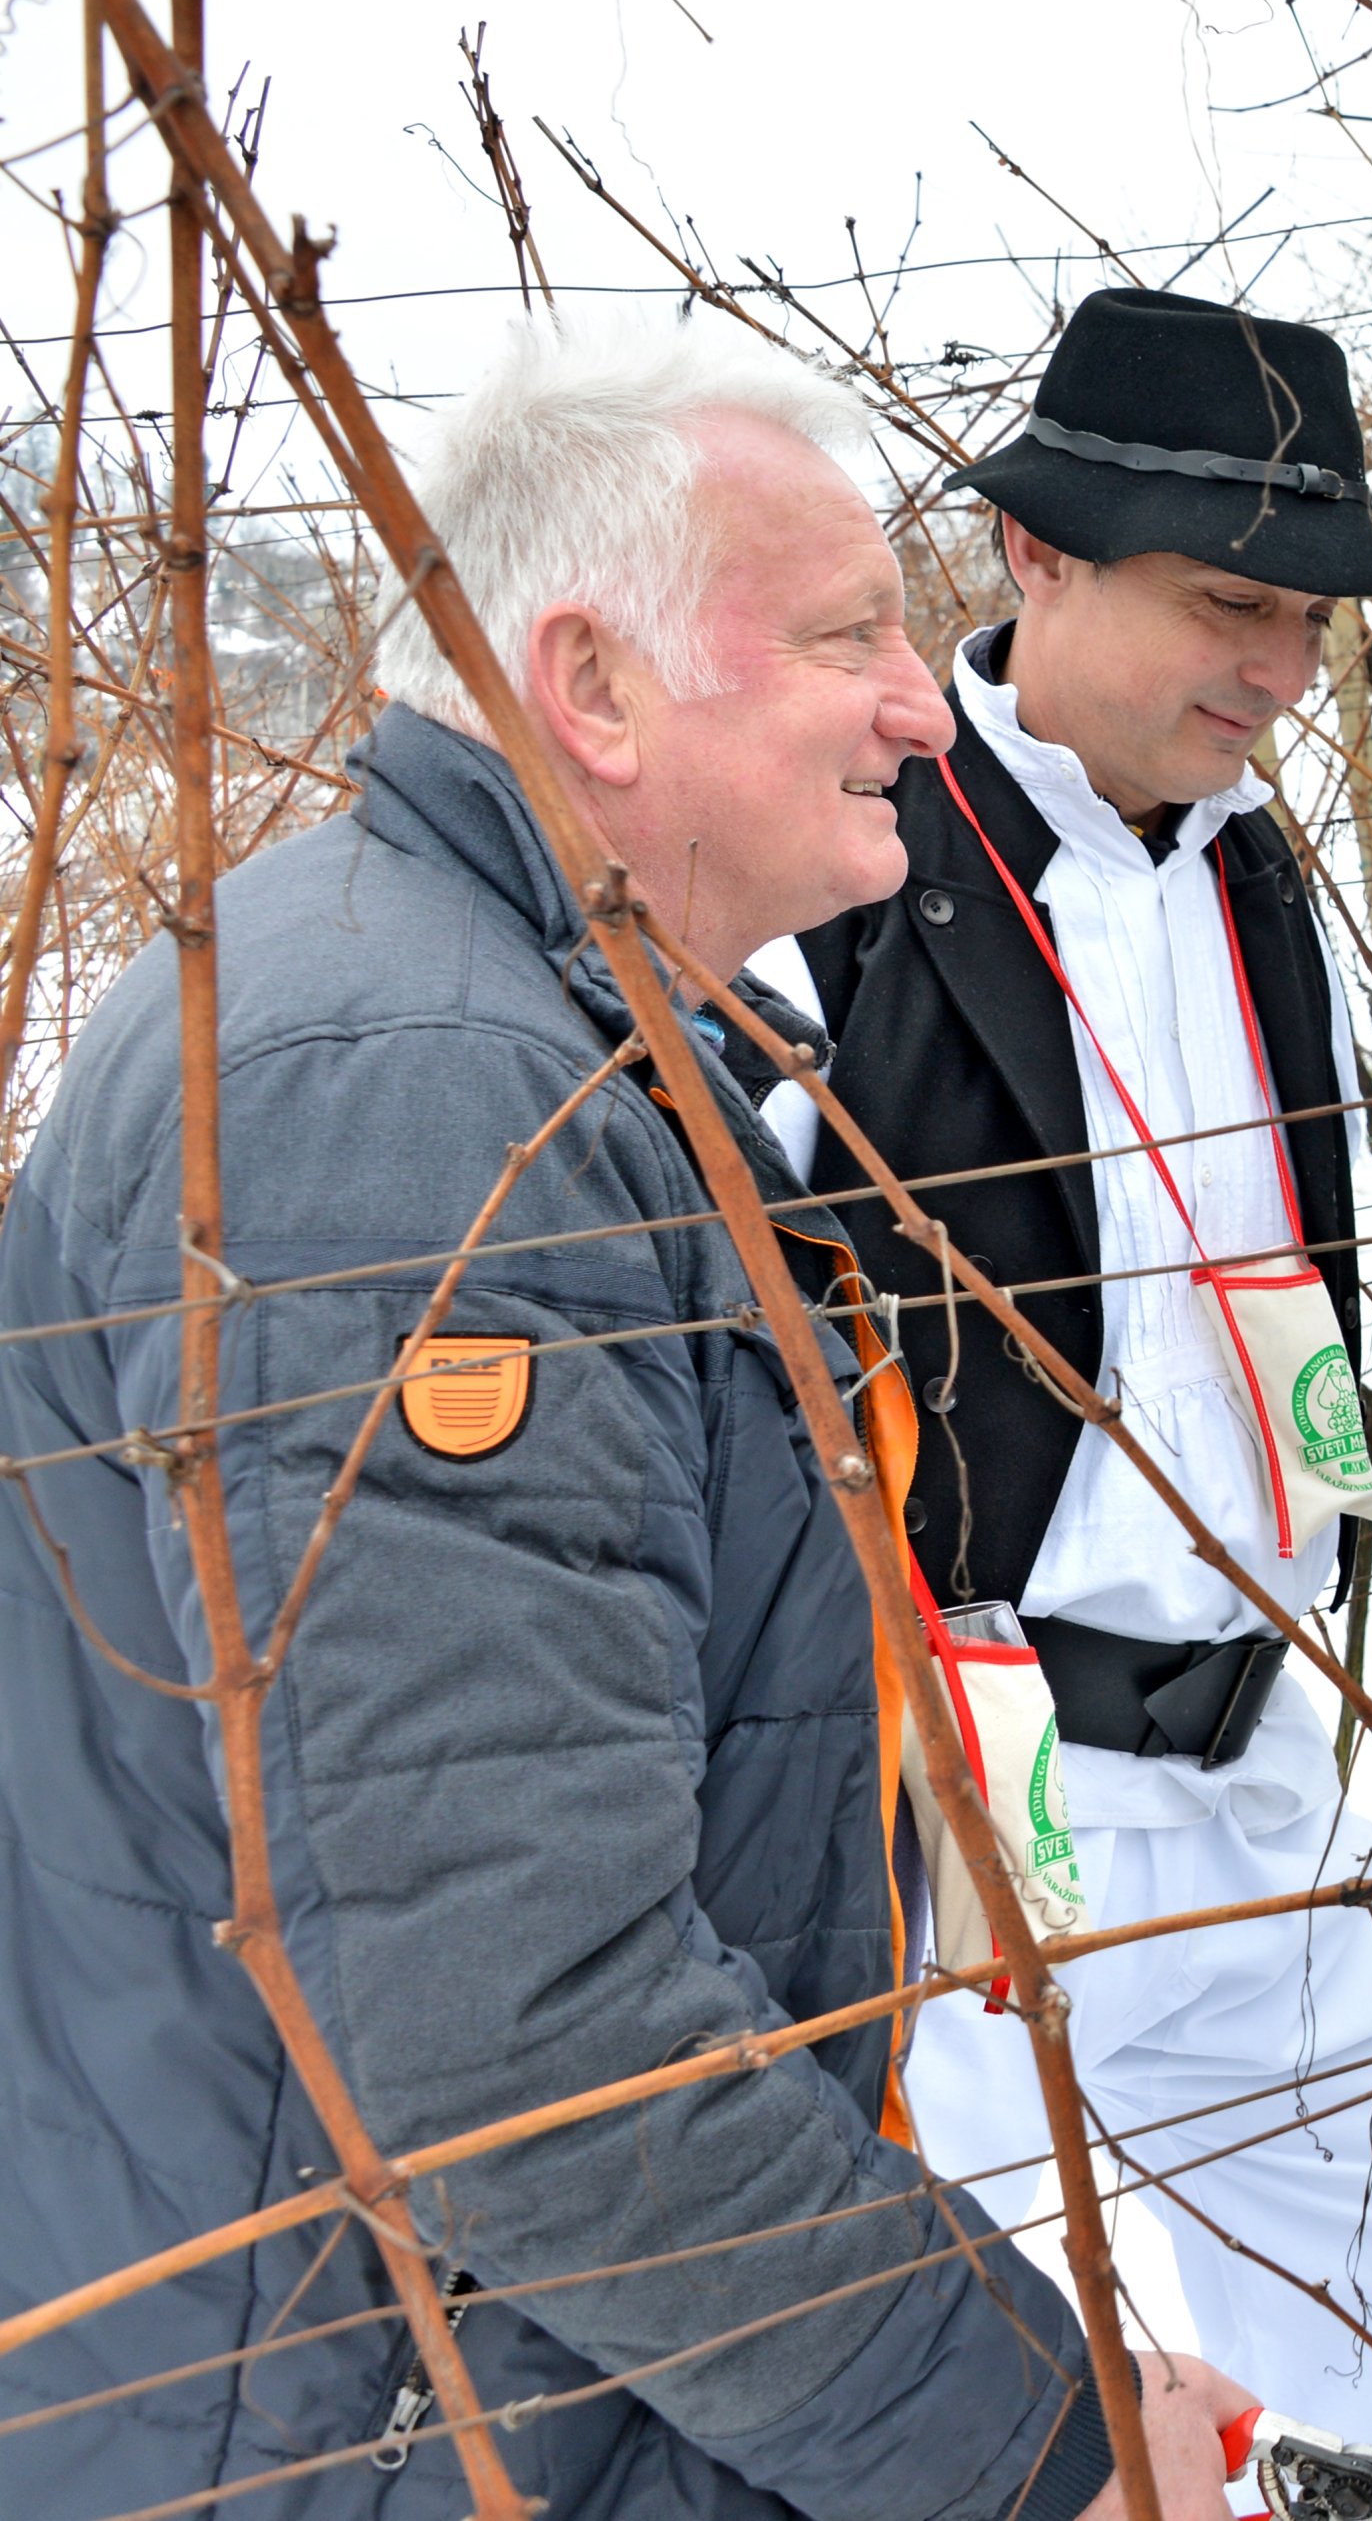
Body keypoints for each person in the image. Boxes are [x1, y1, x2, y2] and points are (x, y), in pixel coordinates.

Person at [0, 322, 1245, 2516]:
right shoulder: (416, 1099)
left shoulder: (527, 1018)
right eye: (850, 636)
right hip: (368, 2421)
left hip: (426, 2371)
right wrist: (1032, 2444)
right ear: (589, 687)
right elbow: (519, 2029)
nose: (916, 699)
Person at [770, 290, 1372, 2504]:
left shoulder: (1254, 871)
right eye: (1227, 601)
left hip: (1251, 1754)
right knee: (1017, 2419)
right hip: (963, 1790)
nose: (1280, 667)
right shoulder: (839, 867)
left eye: (1310, 618)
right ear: (1035, 559)